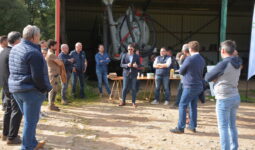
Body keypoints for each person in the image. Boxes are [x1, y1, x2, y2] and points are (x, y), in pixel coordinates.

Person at [9, 25, 52, 150]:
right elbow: (37, 77)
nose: (40, 38)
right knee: (30, 121)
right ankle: (27, 146)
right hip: (30, 90)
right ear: (34, 37)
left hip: (16, 88)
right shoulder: (33, 52)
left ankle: (32, 142)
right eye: (38, 36)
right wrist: (44, 89)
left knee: (29, 119)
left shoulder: (15, 48)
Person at [205, 40, 242, 150]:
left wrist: (217, 78)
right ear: (234, 51)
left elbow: (207, 77)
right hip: (235, 95)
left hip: (224, 97)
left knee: (223, 127)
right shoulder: (238, 61)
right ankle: (234, 147)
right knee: (232, 125)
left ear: (223, 50)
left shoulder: (224, 63)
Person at [170, 41, 205, 134]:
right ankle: (192, 126)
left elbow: (181, 71)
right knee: (193, 106)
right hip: (198, 85)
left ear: (190, 49)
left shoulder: (189, 59)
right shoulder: (202, 59)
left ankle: (180, 127)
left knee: (182, 105)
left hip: (190, 85)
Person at [0, 32, 22, 145]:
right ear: (17, 40)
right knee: (16, 111)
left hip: (5, 86)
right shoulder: (13, 52)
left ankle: (5, 133)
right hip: (13, 86)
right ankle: (12, 137)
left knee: (8, 110)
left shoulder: (4, 51)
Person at [46, 39, 66, 111]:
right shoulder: (51, 54)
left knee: (55, 89)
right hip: (53, 74)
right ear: (51, 46)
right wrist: (61, 61)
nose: (57, 46)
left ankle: (52, 104)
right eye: (55, 45)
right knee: (52, 89)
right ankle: (50, 105)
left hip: (54, 74)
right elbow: (60, 63)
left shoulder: (50, 53)